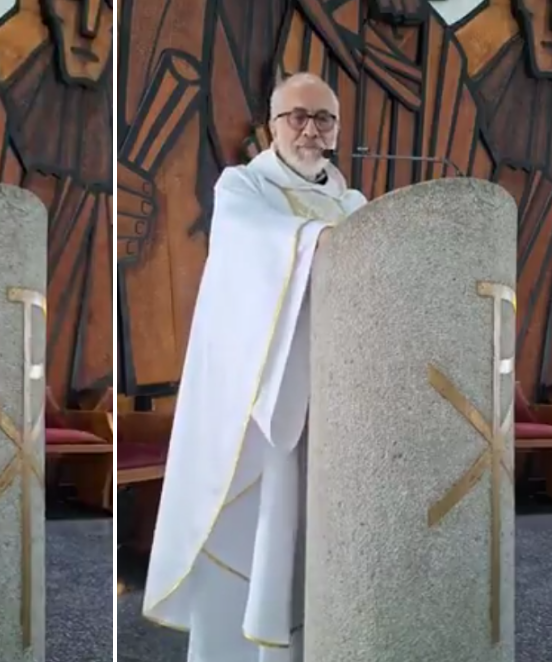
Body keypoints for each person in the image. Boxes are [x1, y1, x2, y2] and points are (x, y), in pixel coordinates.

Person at [142, 72, 367, 661]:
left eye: (325, 119)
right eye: (298, 116)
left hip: (336, 403)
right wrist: (321, 240)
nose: (311, 129)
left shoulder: (354, 206)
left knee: (320, 541)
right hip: (263, 403)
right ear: (272, 124)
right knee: (267, 526)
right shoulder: (243, 187)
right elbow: (254, 242)